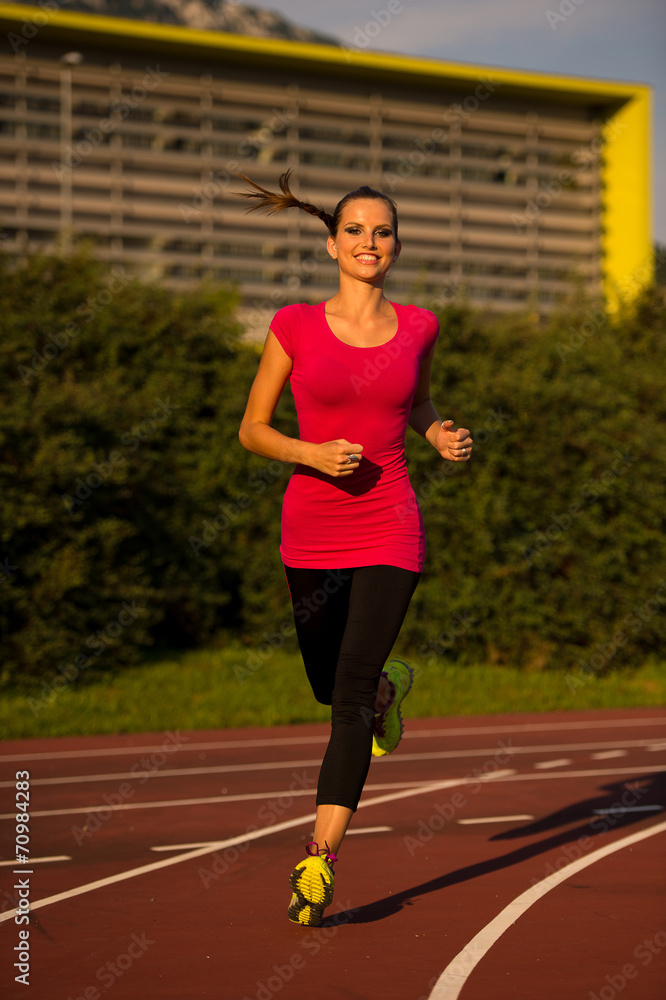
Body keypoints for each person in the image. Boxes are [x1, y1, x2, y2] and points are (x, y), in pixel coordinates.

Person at [237, 170, 472, 927]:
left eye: (383, 231)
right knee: (326, 682)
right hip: (310, 529)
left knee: (342, 702)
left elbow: (419, 401)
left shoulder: (420, 326)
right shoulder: (295, 325)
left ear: (394, 247)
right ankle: (383, 695)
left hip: (389, 525)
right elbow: (253, 428)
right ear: (332, 243)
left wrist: (438, 432)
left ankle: (319, 858)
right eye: (356, 230)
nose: (370, 242)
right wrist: (309, 454)